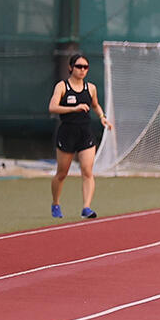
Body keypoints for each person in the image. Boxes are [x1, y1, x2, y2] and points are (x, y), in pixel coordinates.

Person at [48, 53, 110, 219]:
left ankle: (86, 207)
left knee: (87, 171)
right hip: (67, 133)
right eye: (79, 66)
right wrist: (74, 109)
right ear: (71, 68)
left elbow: (95, 105)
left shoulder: (91, 88)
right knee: (62, 173)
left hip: (85, 133)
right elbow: (52, 107)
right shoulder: (62, 86)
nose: (82, 70)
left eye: (85, 67)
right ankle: (55, 203)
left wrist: (103, 118)